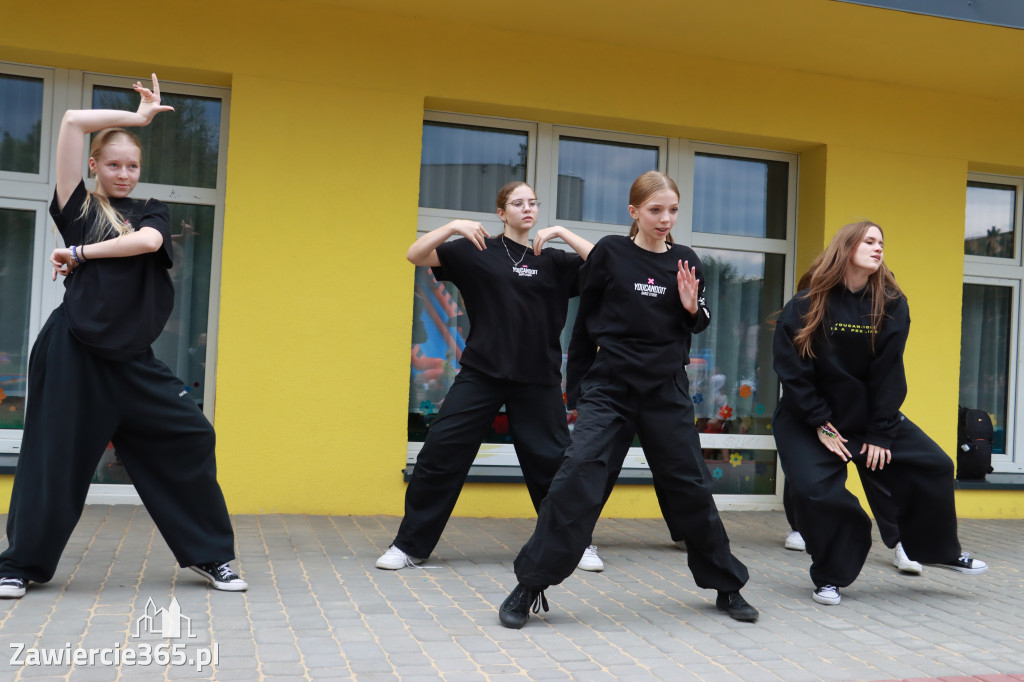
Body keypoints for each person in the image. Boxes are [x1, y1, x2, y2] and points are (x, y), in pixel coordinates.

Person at [0, 75, 245, 600]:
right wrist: (135, 119)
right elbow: (69, 123)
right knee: (53, 458)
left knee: (192, 435)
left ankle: (211, 558)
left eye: (132, 164)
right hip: (74, 353)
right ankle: (19, 565)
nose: (125, 173)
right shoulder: (79, 209)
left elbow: (148, 242)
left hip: (132, 361)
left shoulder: (150, 211)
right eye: (113, 164)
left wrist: (81, 255)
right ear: (94, 167)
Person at [498, 171, 758, 629]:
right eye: (655, 210)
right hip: (611, 389)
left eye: (672, 210)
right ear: (634, 211)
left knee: (690, 487)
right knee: (577, 478)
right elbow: (583, 325)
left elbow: (701, 320)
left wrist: (691, 306)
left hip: (666, 392)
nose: (665, 218)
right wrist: (576, 388)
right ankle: (530, 585)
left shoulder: (685, 259)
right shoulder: (610, 254)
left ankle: (726, 586)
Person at [376, 181, 605, 572]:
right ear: (501, 213)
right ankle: (409, 545)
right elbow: (415, 255)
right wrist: (452, 226)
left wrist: (563, 233)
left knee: (553, 464)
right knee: (440, 454)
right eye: (517, 203)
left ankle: (575, 543)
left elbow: (605, 265)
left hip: (538, 379)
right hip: (482, 373)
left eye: (532, 203)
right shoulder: (475, 251)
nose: (527, 209)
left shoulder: (553, 261)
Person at [772, 220, 987, 606]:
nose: (878, 248)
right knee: (816, 493)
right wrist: (820, 423)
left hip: (867, 416)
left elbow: (890, 373)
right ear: (846, 247)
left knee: (935, 464)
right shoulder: (806, 304)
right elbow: (792, 371)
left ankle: (937, 550)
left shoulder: (890, 303)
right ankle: (830, 575)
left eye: (881, 243)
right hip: (809, 420)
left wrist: (880, 433)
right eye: (869, 241)